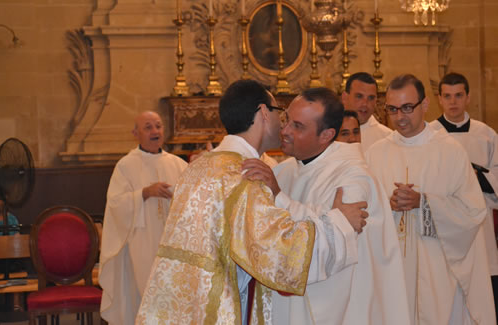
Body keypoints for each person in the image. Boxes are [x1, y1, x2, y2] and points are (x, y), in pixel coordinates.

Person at [136, 80, 368, 325]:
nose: (284, 125)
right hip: (219, 309)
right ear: (264, 112)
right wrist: (340, 223)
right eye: (280, 113)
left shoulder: (199, 167)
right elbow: (281, 255)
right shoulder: (244, 175)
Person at [242, 87, 410, 324]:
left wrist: (279, 196)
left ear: (326, 135)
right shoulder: (283, 170)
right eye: (286, 119)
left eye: (298, 126)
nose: (285, 130)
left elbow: (333, 244)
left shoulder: (353, 178)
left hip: (341, 309)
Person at [366, 74, 495, 324]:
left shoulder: (449, 151)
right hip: (391, 268)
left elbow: (472, 213)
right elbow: (365, 213)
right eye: (392, 109)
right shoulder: (376, 153)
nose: (399, 117)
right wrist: (386, 205)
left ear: (424, 105)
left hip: (438, 270)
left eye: (407, 108)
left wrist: (423, 203)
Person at [98, 111, 188, 325]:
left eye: (158, 126)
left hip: (173, 247)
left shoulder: (179, 165)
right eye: (148, 127)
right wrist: (144, 193)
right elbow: (115, 205)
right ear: (135, 133)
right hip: (140, 245)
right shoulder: (125, 166)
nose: (155, 131)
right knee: (143, 299)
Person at [430, 72, 498, 319]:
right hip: (444, 224)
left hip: (481, 225)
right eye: (447, 96)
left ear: (468, 98)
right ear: (439, 99)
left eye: (458, 95)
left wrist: (474, 177)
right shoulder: (430, 135)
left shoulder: (486, 134)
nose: (453, 102)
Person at [342, 72, 392, 151]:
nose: (365, 104)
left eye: (371, 98)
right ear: (345, 98)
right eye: (359, 96)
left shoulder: (388, 138)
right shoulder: (329, 133)